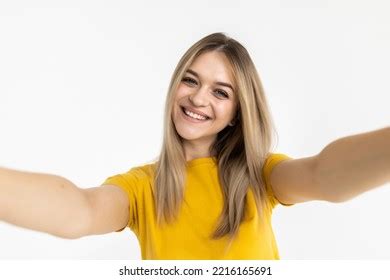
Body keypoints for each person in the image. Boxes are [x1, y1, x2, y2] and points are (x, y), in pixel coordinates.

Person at [0, 32, 389, 260]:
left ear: (238, 112)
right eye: (190, 80)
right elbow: (80, 210)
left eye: (220, 91)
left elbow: (325, 175)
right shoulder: (141, 189)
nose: (199, 98)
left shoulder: (262, 177)